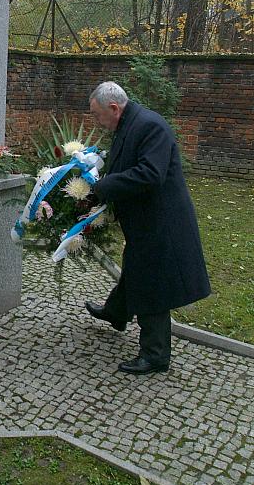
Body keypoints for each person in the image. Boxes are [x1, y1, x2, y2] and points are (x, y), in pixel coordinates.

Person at [86, 81, 211, 375]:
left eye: (96, 114)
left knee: (152, 284)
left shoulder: (150, 126)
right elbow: (122, 165)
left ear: (114, 108)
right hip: (146, 221)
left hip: (162, 223)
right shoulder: (129, 124)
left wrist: (103, 187)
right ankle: (117, 312)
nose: (95, 120)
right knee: (136, 266)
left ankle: (155, 355)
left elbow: (150, 174)